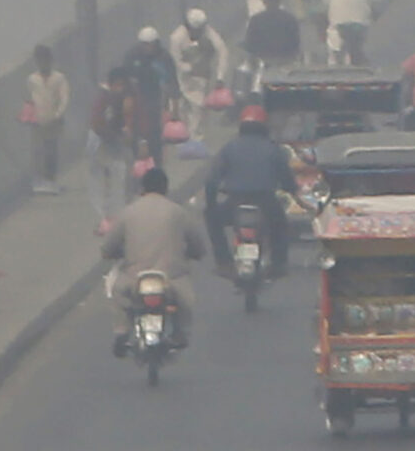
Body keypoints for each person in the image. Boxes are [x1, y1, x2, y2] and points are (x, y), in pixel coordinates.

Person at [103, 165, 204, 351]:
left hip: (134, 278)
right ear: (165, 188)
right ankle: (180, 333)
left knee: (117, 292)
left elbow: (108, 247)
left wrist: (115, 253)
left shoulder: (128, 212)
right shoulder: (178, 212)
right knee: (186, 301)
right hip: (172, 278)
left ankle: (121, 330)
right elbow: (197, 244)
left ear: (143, 188)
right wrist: (194, 254)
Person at [204, 104, 298, 274]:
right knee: (281, 226)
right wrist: (292, 189)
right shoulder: (273, 149)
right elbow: (287, 179)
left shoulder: (229, 148)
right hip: (266, 201)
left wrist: (211, 203)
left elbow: (212, 181)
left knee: (211, 218)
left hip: (235, 201)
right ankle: (278, 264)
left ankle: (223, 261)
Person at [85, 68, 141, 233]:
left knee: (124, 176)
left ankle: (122, 215)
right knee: (104, 181)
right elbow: (97, 125)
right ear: (111, 85)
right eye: (118, 85)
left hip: (117, 141)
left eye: (123, 85)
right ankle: (106, 218)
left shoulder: (127, 95)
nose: (121, 88)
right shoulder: (103, 99)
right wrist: (115, 137)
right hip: (101, 143)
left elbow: (131, 117)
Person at [167, 8, 229, 135]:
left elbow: (222, 50)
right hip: (181, 78)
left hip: (201, 78)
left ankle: (196, 141)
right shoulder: (176, 38)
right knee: (181, 111)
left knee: (199, 110)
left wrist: (220, 77)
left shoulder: (207, 32)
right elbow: (175, 62)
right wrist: (192, 68)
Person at [26, 44, 71, 194]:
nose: (42, 63)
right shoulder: (32, 79)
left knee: (51, 151)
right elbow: (29, 99)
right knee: (38, 152)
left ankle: (51, 181)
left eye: (45, 60)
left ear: (50, 60)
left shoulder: (59, 78)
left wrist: (58, 115)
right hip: (37, 121)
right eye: (39, 60)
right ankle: (39, 182)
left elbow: (64, 98)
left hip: (54, 120)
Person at [242, 0, 303, 70]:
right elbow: (296, 44)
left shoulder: (256, 20)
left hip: (264, 64)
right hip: (285, 63)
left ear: (264, 1)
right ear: (280, 0)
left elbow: (250, 45)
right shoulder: (290, 19)